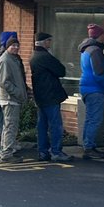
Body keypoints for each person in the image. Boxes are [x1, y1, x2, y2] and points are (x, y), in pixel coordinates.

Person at [30, 33, 72, 162]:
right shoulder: (45, 57)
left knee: (42, 125)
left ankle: (43, 151)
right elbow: (61, 71)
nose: (50, 43)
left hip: (40, 95)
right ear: (44, 42)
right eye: (48, 41)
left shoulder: (34, 56)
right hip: (50, 94)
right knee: (55, 125)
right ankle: (56, 151)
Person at [79, 23, 104, 159]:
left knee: (89, 119)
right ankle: (89, 147)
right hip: (95, 89)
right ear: (100, 35)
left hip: (87, 87)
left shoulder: (86, 50)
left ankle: (87, 145)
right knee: (95, 119)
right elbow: (99, 73)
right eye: (103, 34)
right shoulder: (95, 51)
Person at [0, 35, 28, 162]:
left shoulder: (13, 59)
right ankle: (7, 153)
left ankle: (7, 150)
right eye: (13, 45)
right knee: (10, 126)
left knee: (9, 126)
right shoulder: (5, 60)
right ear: (7, 46)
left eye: (17, 45)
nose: (16, 47)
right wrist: (18, 92)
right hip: (9, 99)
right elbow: (4, 82)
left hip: (13, 98)